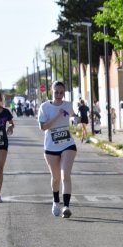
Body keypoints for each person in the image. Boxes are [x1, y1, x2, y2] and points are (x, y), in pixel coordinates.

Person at [38, 81, 77, 218]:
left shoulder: (68, 105)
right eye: (56, 92)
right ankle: (56, 201)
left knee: (65, 175)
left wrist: (75, 119)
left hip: (68, 144)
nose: (59, 95)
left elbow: (73, 115)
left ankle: (66, 206)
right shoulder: (44, 107)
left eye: (61, 92)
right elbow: (43, 127)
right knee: (55, 178)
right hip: (51, 147)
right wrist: (58, 115)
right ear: (51, 91)